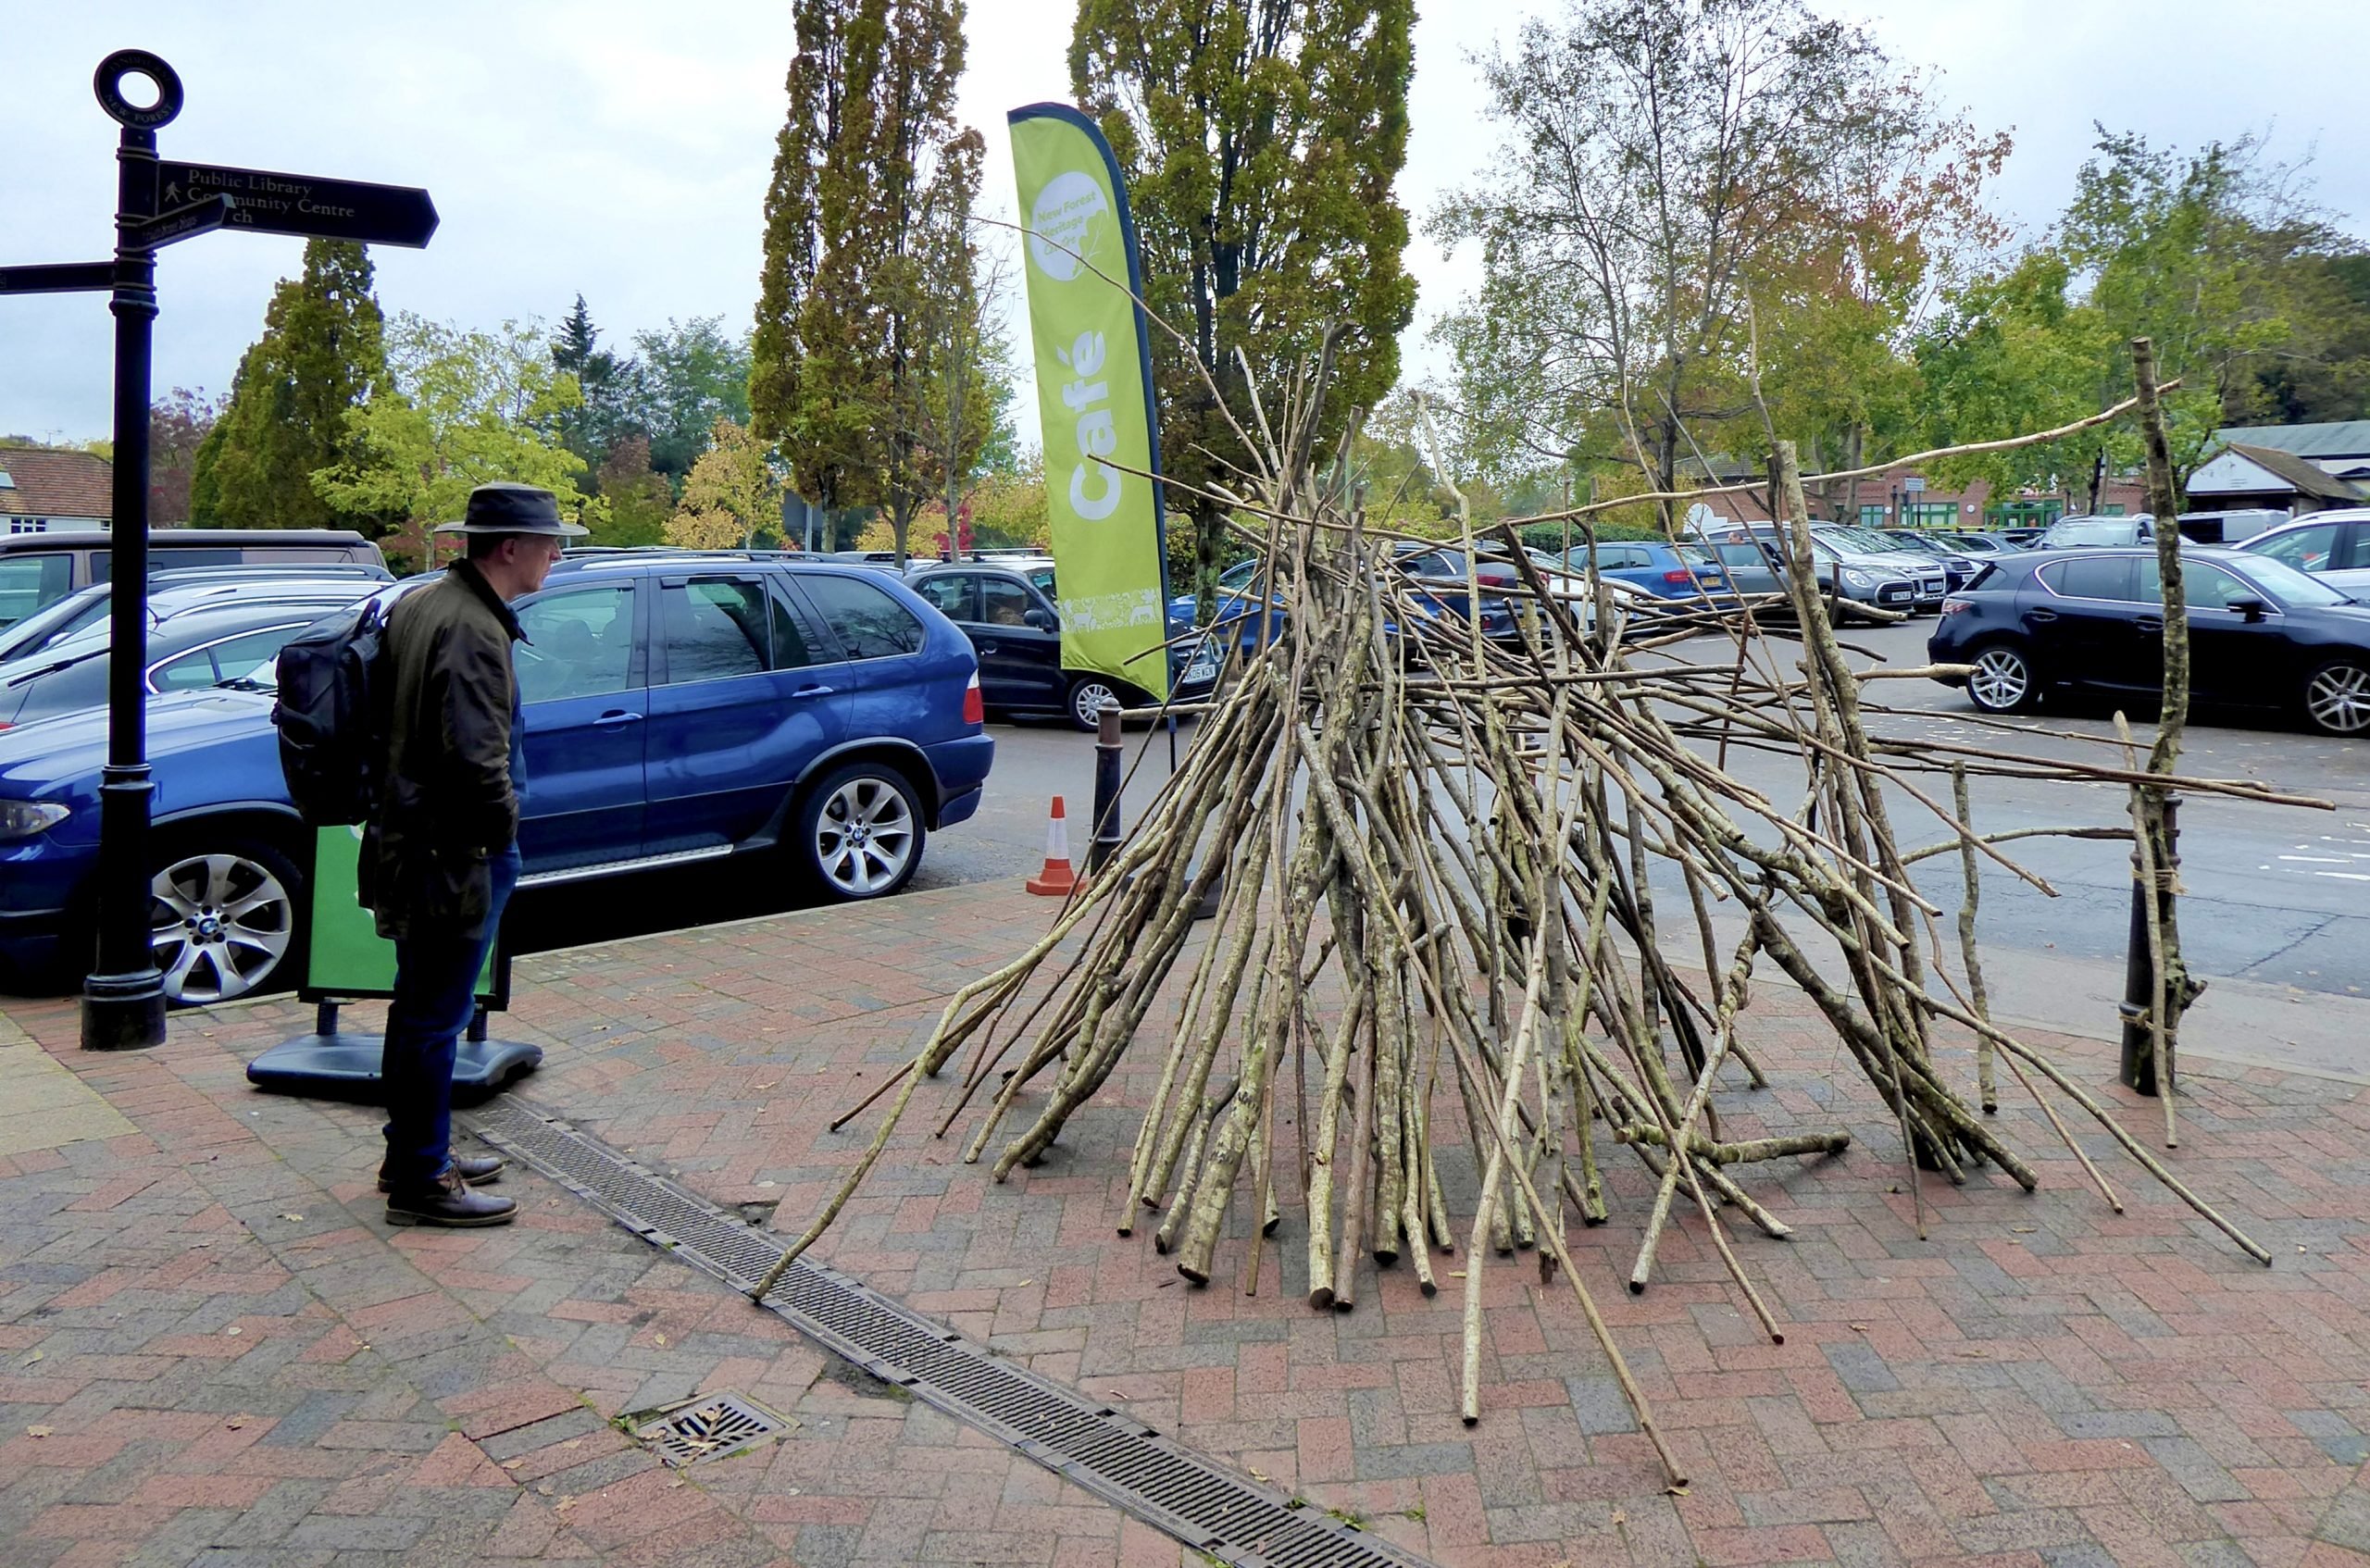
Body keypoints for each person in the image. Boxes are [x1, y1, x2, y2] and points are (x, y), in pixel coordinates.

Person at [362, 482, 584, 1226]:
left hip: (419, 840)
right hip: (454, 852)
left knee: (421, 1008)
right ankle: (423, 1180)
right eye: (550, 541)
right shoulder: (471, 629)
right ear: (509, 547)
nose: (558, 553)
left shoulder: (430, 602)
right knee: (434, 1016)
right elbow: (477, 760)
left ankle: (413, 1152)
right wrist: (502, 836)